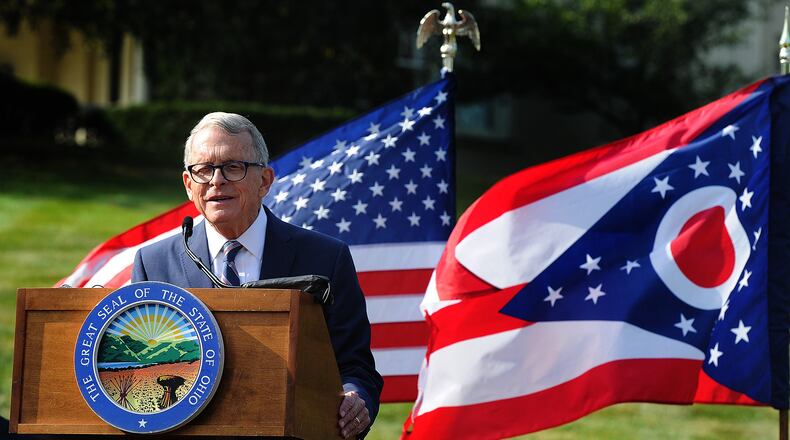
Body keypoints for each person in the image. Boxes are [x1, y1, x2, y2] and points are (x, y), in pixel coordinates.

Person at [132, 112, 383, 439]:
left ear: (264, 180)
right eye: (204, 170)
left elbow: (355, 366)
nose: (216, 181)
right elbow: (140, 369)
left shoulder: (325, 258)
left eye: (233, 167)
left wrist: (355, 400)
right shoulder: (154, 263)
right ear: (188, 184)